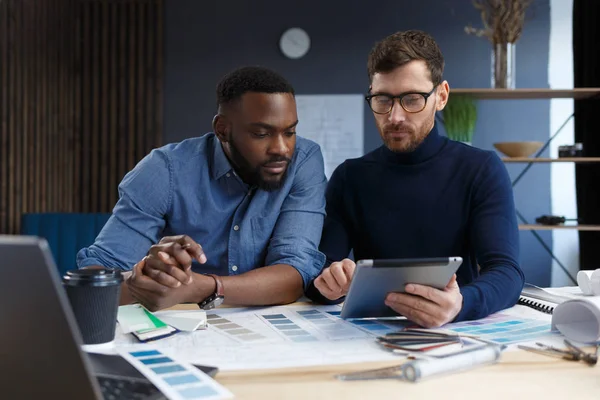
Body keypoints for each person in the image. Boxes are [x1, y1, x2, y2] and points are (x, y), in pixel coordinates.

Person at [306, 30, 524, 327]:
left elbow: (506, 272)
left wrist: (461, 303)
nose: (395, 116)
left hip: (455, 331)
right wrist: (328, 283)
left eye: (411, 99)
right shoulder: (350, 177)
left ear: (441, 96)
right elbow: (317, 274)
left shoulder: (480, 168)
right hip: (369, 334)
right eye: (383, 99)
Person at [77, 66, 327, 311]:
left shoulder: (303, 161)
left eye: (290, 132)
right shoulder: (164, 170)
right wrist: (139, 280)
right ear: (223, 130)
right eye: (261, 134)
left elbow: (295, 273)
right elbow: (93, 279)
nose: (282, 149)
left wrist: (201, 287)